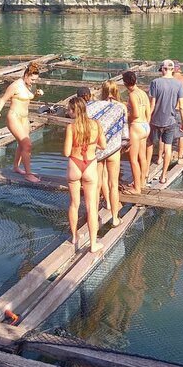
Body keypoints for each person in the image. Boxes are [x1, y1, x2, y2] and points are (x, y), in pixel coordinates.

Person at [78, 82, 127, 226]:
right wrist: (122, 143)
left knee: (97, 184)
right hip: (113, 149)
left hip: (98, 150)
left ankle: (93, 215)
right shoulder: (120, 107)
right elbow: (124, 131)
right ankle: (115, 218)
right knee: (113, 183)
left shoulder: (89, 108)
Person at [64, 96, 106, 253]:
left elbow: (66, 152)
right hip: (90, 165)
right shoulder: (96, 124)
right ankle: (93, 244)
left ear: (75, 111)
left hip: (75, 164)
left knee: (74, 204)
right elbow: (104, 145)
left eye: (69, 110)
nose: (67, 112)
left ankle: (74, 236)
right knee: (91, 207)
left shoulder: (71, 128)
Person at [0, 62, 44, 183]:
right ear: (26, 74)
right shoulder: (15, 86)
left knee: (22, 144)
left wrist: (36, 95)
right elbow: (3, 99)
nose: (33, 82)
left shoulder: (28, 85)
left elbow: (28, 98)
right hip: (14, 117)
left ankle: (16, 167)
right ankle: (28, 174)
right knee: (27, 145)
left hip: (24, 118)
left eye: (35, 80)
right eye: (32, 79)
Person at [147, 59, 183, 185]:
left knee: (150, 144)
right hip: (170, 120)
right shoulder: (179, 84)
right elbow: (181, 105)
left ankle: (146, 171)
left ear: (163, 69)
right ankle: (163, 176)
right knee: (168, 147)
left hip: (155, 120)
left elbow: (152, 104)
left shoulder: (155, 82)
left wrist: (147, 119)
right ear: (173, 69)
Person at [122, 71, 150, 194]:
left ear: (124, 83)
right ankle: (142, 182)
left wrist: (127, 117)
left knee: (133, 159)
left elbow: (136, 114)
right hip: (145, 126)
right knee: (142, 156)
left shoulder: (133, 95)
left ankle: (136, 188)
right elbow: (148, 112)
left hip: (137, 127)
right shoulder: (143, 93)